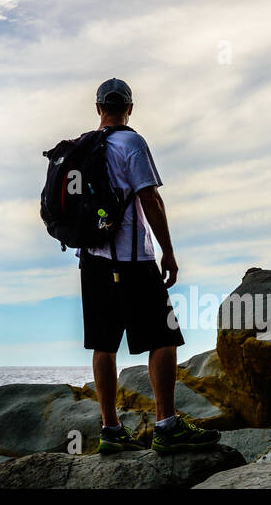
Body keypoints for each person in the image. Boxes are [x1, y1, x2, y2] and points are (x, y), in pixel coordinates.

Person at [80, 77, 220, 454]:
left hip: (91, 260)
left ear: (98, 109)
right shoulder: (131, 142)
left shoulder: (83, 147)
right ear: (129, 108)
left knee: (103, 344)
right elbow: (150, 199)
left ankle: (110, 430)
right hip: (131, 259)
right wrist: (169, 252)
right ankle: (167, 426)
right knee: (163, 337)